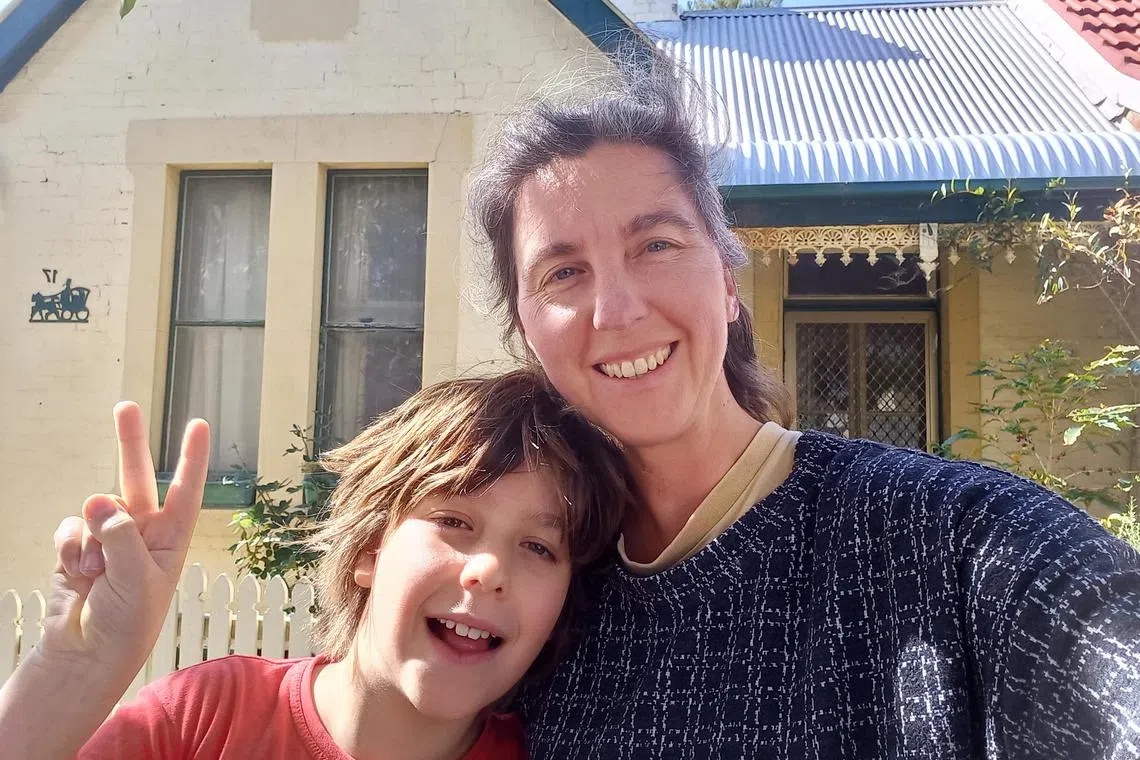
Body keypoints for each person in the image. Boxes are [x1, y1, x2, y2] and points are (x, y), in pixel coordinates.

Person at [464, 47, 1140, 758]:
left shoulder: (958, 543)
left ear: (727, 283)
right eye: (564, 272)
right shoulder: (539, 604)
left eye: (657, 244)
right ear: (526, 330)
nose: (618, 309)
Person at [0, 371, 637, 760]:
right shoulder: (202, 721)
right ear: (368, 549)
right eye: (454, 522)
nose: (487, 570)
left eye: (537, 547)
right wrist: (72, 670)